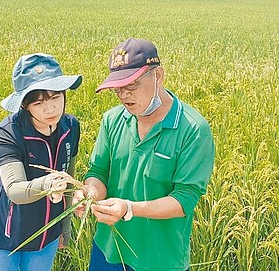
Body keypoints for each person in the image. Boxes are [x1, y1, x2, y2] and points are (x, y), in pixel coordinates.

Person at [73, 38, 215, 271]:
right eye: (118, 88)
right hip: (108, 249)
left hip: (159, 259)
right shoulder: (112, 119)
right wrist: (90, 194)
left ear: (158, 75)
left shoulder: (193, 129)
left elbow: (184, 199)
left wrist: (129, 209)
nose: (124, 95)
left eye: (132, 85)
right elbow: (98, 172)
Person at [0, 53, 82, 271]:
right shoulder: (9, 132)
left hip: (46, 235)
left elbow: (69, 178)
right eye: (39, 102)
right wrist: (47, 184)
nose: (50, 109)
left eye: (55, 98)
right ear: (25, 105)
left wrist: (64, 228)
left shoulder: (70, 126)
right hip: (3, 236)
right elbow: (14, 190)